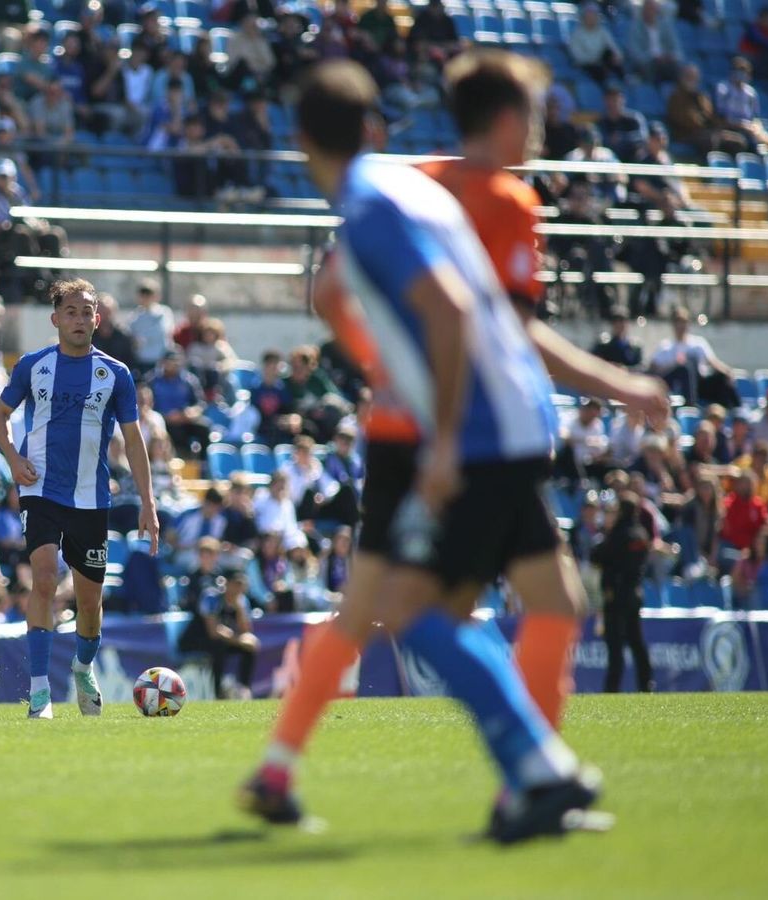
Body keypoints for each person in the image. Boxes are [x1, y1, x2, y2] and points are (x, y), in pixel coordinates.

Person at [242, 60, 609, 843]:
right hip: (512, 415)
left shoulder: (372, 205)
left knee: (406, 611)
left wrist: (435, 431)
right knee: (523, 601)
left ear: (301, 139)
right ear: (375, 126)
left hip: (474, 428)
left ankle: (540, 772)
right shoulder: (412, 186)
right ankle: (536, 775)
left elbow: (438, 310)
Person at [417, 49, 668, 734]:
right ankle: (529, 759)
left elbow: (332, 288)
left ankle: (535, 768)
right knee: (450, 614)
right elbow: (517, 332)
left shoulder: (417, 184)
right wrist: (622, 383)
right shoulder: (507, 200)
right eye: (532, 115)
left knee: (553, 601)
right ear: (504, 119)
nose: (541, 132)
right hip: (489, 431)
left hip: (459, 425)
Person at [0, 276, 158, 720]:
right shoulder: (33, 365)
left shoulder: (115, 374)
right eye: (71, 312)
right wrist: (12, 458)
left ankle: (83, 669)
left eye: (87, 312)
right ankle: (40, 692)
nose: (79, 319)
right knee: (44, 578)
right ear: (56, 319)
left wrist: (148, 502)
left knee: (88, 603)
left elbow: (134, 440)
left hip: (91, 496)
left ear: (97, 319)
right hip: (40, 487)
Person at [591, 493, 653, 693]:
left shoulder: (618, 534)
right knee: (636, 641)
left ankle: (612, 687)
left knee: (615, 645)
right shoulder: (641, 534)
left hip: (615, 594)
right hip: (634, 592)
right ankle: (646, 684)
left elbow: (597, 556)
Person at [178, 566, 259, 699]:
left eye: (242, 585)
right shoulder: (211, 597)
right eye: (236, 584)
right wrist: (241, 641)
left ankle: (245, 689)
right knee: (219, 646)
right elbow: (213, 632)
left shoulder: (242, 601)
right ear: (226, 583)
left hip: (222, 640)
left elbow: (246, 631)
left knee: (249, 649)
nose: (239, 589)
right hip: (195, 640)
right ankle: (217, 692)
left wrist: (239, 609)